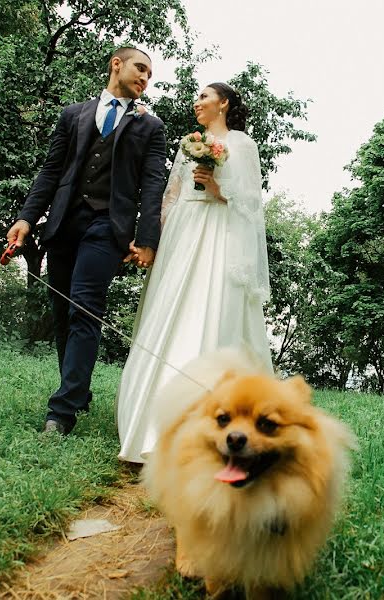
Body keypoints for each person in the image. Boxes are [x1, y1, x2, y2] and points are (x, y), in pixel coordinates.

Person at [7, 47, 167, 436]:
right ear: (117, 64)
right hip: (63, 222)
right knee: (62, 310)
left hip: (108, 227)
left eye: (150, 74)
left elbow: (152, 185)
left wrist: (148, 239)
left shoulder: (151, 127)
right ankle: (77, 390)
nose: (145, 78)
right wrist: (27, 219)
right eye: (140, 69)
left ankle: (61, 412)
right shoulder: (73, 114)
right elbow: (50, 170)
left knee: (85, 305)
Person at [116, 82, 273, 463]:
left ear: (224, 103)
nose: (196, 102)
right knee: (171, 309)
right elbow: (171, 194)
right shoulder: (191, 142)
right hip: (183, 235)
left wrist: (220, 189)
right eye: (197, 97)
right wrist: (154, 242)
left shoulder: (242, 144)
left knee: (212, 309)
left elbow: (253, 202)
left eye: (204, 96)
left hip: (220, 233)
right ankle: (152, 420)